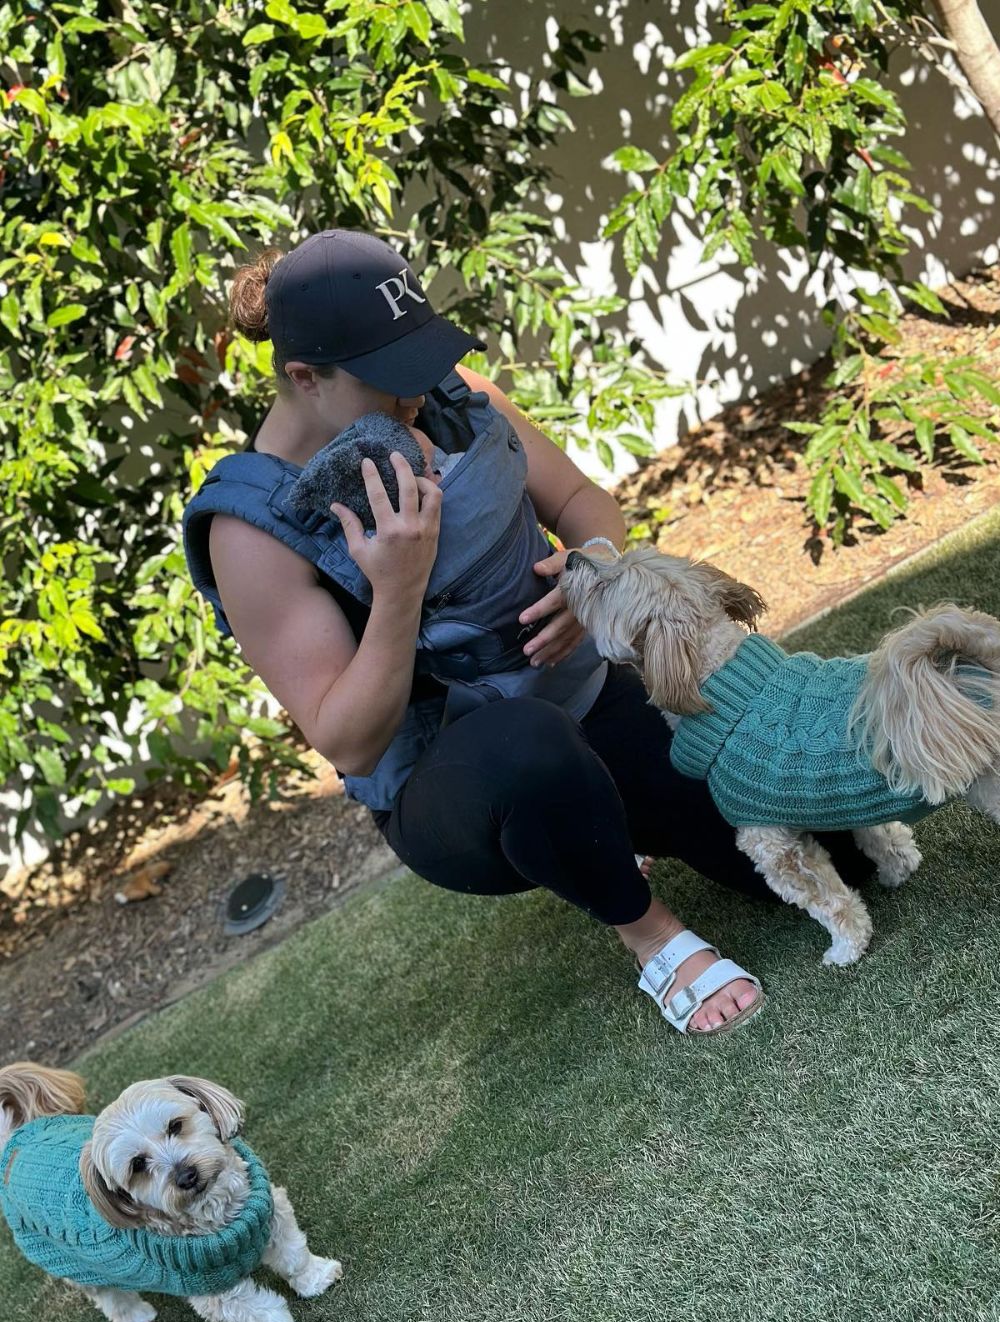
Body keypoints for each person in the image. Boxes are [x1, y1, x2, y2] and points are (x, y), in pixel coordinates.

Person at [183, 230, 873, 1038]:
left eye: (420, 360)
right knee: (528, 746)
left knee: (841, 858)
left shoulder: (454, 393)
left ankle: (612, 827)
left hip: (582, 695)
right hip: (463, 776)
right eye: (391, 378)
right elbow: (352, 743)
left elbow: (584, 501)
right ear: (307, 378)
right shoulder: (250, 531)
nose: (416, 394)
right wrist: (398, 590)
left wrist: (590, 575)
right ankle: (648, 933)